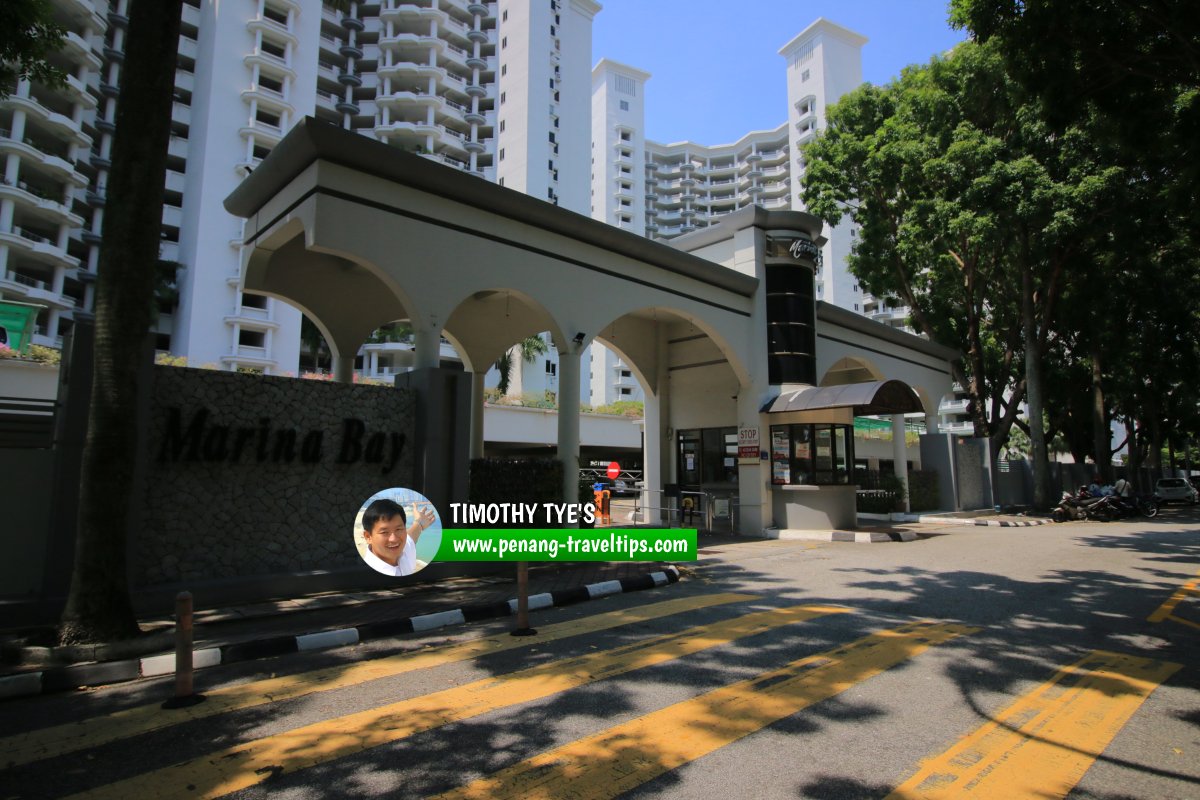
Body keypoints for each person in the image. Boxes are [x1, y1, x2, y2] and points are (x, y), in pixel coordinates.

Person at [359, 497, 436, 577]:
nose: (394, 539)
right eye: (384, 532)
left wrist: (419, 523)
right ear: (368, 537)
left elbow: (411, 536)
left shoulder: (404, 550)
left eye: (398, 529)